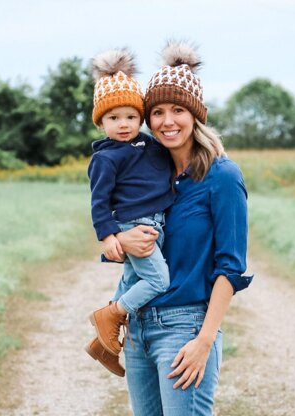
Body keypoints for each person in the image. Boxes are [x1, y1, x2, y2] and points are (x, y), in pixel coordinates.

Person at [106, 41, 253, 415]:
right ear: (146, 119)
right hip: (137, 328)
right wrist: (119, 237)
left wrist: (204, 341)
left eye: (178, 110)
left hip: (185, 327)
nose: (167, 121)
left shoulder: (222, 176)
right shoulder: (144, 174)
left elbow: (230, 268)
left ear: (196, 115)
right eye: (157, 111)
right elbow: (127, 241)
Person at [85, 49, 175, 376]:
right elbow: (99, 201)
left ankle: (103, 343)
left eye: (130, 117)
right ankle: (109, 315)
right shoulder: (106, 158)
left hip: (156, 223)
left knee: (132, 279)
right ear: (101, 122)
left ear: (141, 118)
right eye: (113, 118)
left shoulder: (149, 145)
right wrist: (109, 235)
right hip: (134, 225)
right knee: (158, 280)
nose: (123, 124)